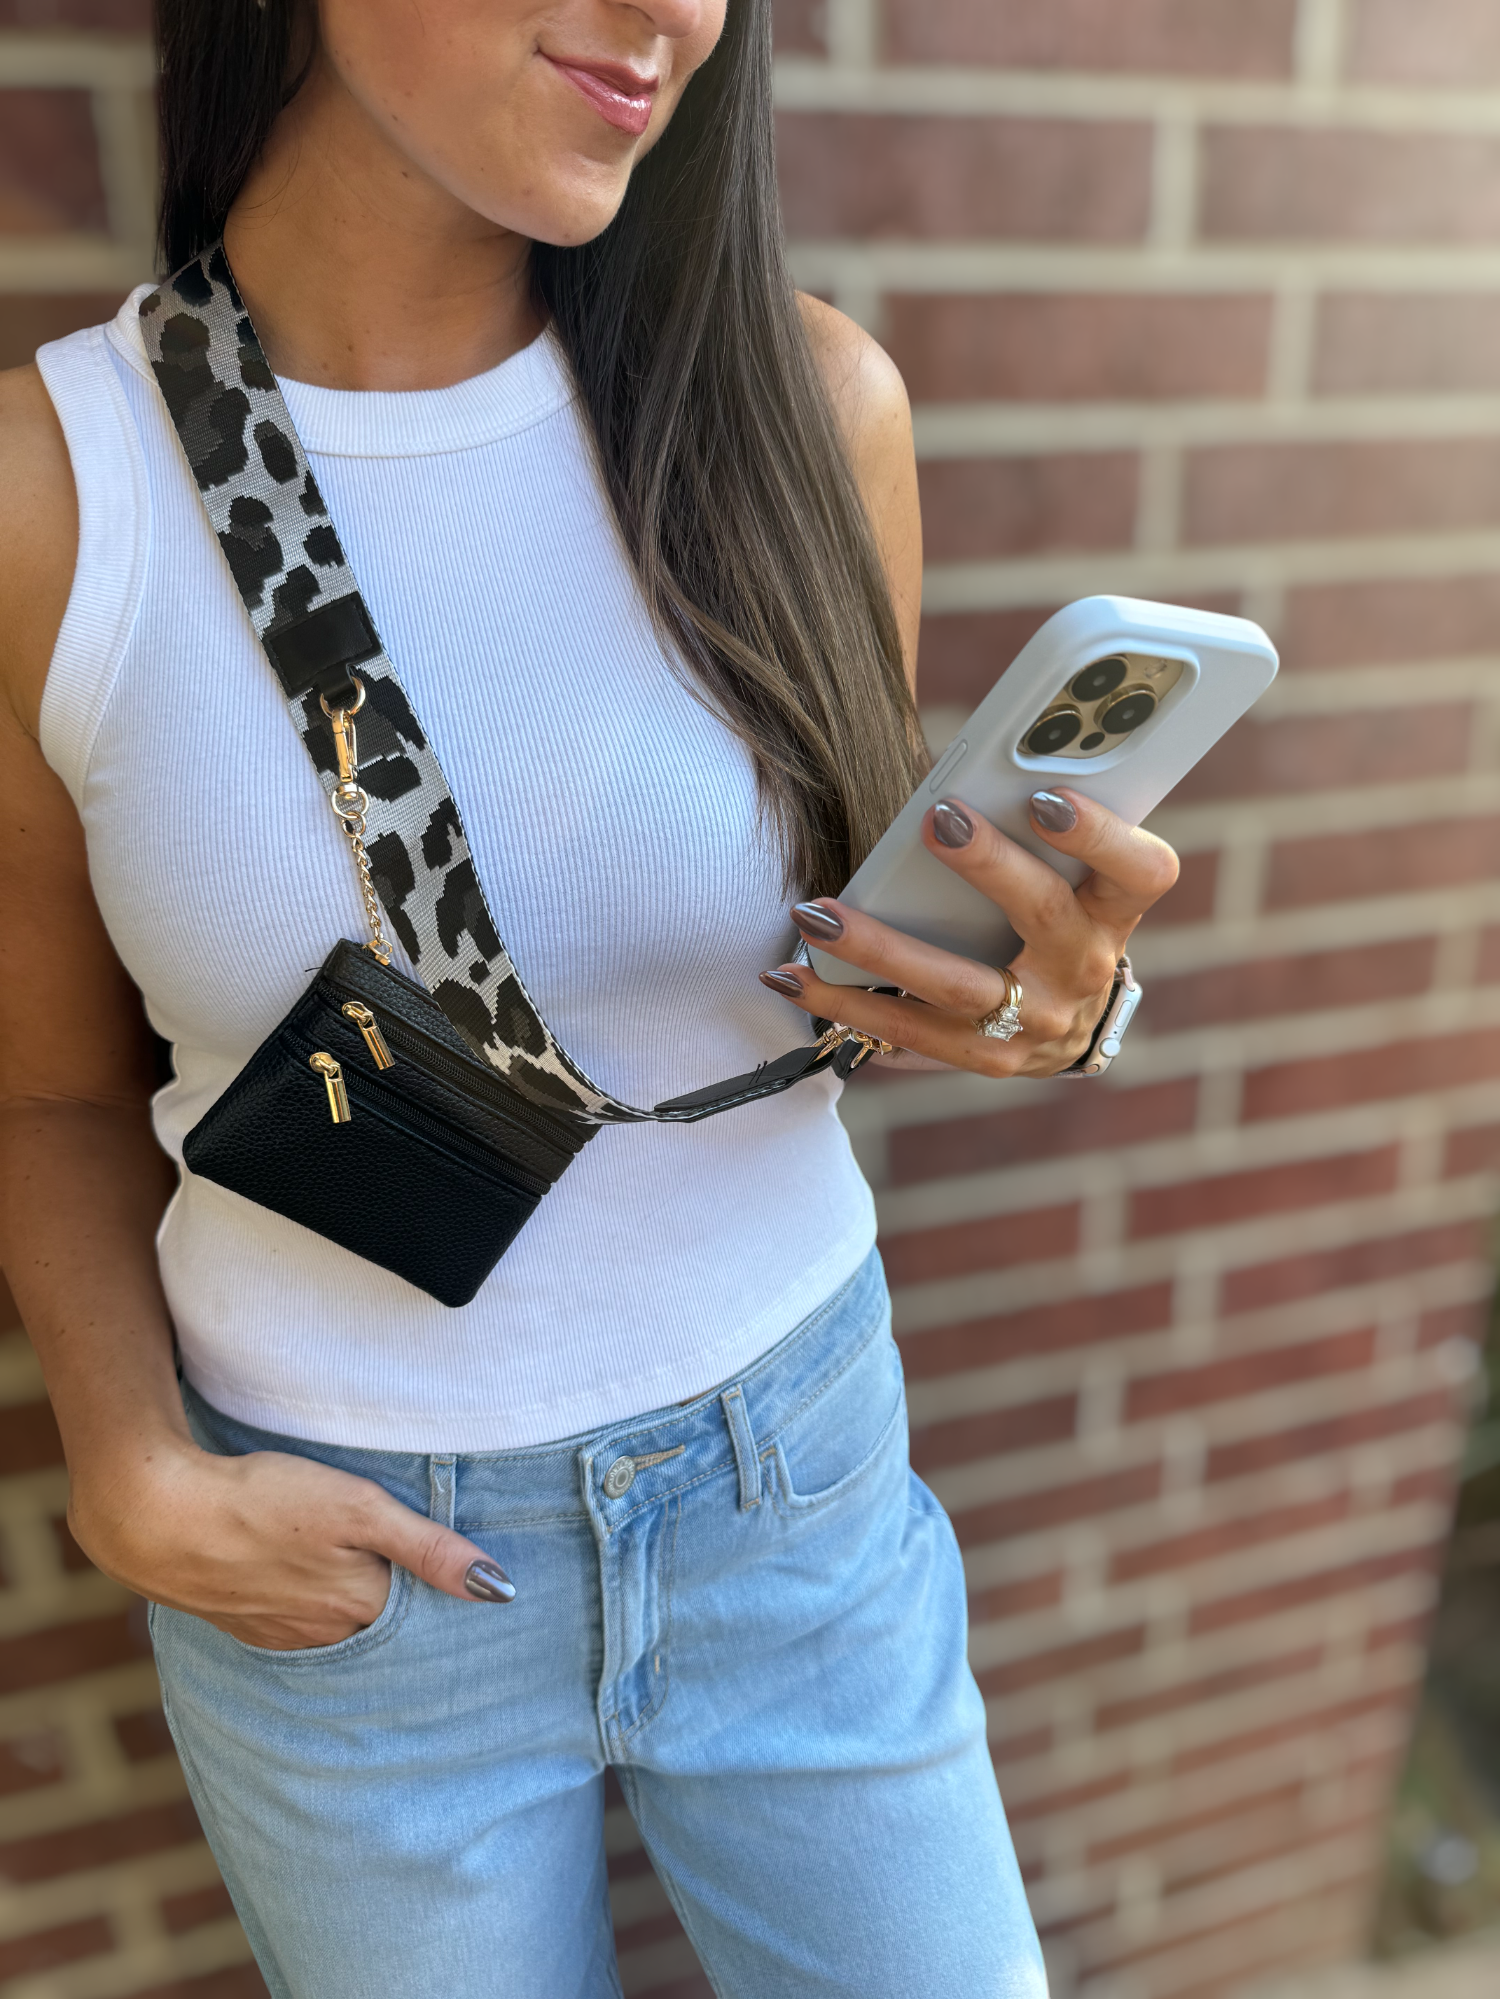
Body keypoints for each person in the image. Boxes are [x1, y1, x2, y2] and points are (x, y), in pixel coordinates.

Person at [0, 2, 1178, 1994]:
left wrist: (1041, 1002)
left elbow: (858, 966)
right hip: (352, 1569)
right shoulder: (56, 493)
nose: (673, 14)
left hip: (795, 1491)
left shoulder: (805, 410)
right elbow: (46, 1092)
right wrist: (126, 1463)